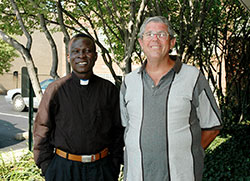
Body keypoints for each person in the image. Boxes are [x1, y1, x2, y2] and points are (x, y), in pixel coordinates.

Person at [120, 16, 222, 181]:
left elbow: (213, 127)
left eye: (161, 34)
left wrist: (190, 154)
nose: (155, 39)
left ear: (172, 42)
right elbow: (126, 127)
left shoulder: (193, 77)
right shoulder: (129, 82)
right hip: (136, 176)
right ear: (140, 42)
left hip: (182, 176)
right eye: (149, 34)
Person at [33, 33, 124, 181]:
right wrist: (47, 166)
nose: (81, 56)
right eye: (76, 51)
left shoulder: (108, 90)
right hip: (63, 170)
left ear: (95, 56)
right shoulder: (55, 89)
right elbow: (42, 129)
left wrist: (114, 163)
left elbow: (118, 130)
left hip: (101, 170)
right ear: (69, 58)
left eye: (87, 51)